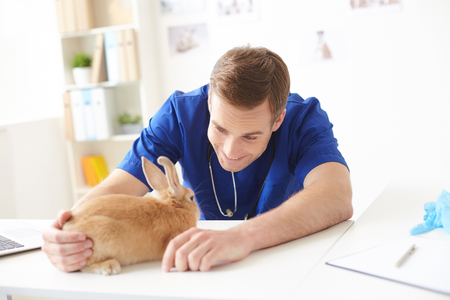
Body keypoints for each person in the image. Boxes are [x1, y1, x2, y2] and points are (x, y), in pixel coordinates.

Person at [42, 45, 352, 273]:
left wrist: (243, 237)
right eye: (219, 128)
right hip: (201, 265)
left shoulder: (304, 118)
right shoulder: (180, 113)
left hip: (287, 263)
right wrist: (70, 231)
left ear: (278, 120)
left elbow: (337, 196)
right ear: (209, 103)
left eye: (250, 136)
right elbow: (115, 189)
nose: (230, 151)